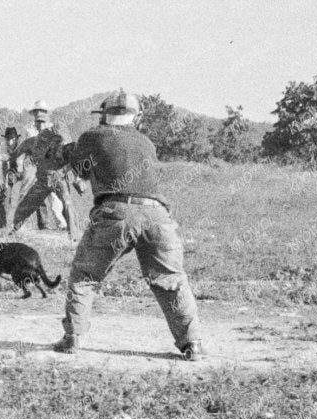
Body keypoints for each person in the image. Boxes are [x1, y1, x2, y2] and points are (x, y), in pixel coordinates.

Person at [52, 90, 205, 360]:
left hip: (116, 211)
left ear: (104, 114)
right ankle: (192, 343)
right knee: (171, 280)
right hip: (157, 215)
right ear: (137, 117)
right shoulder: (146, 142)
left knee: (85, 276)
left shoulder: (92, 136)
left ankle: (72, 337)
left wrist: (66, 149)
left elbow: (82, 170)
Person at [11, 103, 77, 234]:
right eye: (38, 122)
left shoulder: (59, 138)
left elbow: (72, 155)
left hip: (58, 178)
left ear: (47, 123)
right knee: (25, 207)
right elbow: (17, 153)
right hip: (42, 181)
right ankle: (12, 230)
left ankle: (74, 232)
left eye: (42, 122)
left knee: (67, 203)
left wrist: (76, 179)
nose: (40, 125)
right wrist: (13, 165)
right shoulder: (32, 141)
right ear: (35, 124)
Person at [0, 124, 26, 231]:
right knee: (5, 193)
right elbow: (4, 160)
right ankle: (0, 223)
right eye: (8, 139)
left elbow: (21, 164)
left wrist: (19, 178)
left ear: (16, 139)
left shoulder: (21, 146)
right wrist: (5, 180)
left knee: (19, 197)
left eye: (12, 139)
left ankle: (18, 224)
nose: (10, 142)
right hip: (9, 167)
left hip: (22, 167)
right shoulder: (3, 145)